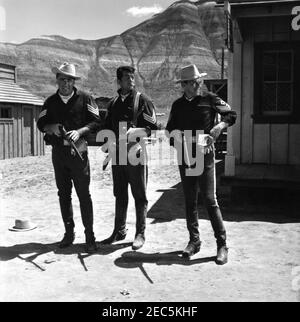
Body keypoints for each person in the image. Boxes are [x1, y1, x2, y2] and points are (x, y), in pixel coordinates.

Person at [166, 64, 237, 265]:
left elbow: (231, 114)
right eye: (193, 82)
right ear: (184, 85)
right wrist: (176, 137)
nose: (198, 84)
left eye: (199, 80)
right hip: (185, 156)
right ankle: (194, 241)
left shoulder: (210, 99)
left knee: (209, 199)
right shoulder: (177, 105)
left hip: (205, 156)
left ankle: (222, 245)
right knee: (190, 200)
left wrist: (220, 125)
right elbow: (170, 129)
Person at [37, 62, 101, 253]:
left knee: (84, 195)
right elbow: (41, 123)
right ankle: (69, 233)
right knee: (63, 194)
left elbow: (97, 121)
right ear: (57, 80)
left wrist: (80, 132)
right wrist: (52, 127)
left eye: (69, 80)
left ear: (74, 81)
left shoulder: (86, 99)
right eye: (62, 79)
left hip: (79, 153)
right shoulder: (49, 102)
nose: (65, 83)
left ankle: (90, 236)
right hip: (59, 154)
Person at [101, 66, 158, 250]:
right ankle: (119, 230)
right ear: (119, 81)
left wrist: (137, 131)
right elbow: (107, 128)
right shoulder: (112, 103)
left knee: (139, 195)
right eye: (127, 78)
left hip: (136, 153)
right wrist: (108, 146)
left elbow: (153, 127)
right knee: (120, 194)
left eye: (133, 78)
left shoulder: (143, 101)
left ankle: (140, 233)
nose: (131, 81)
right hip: (117, 155)